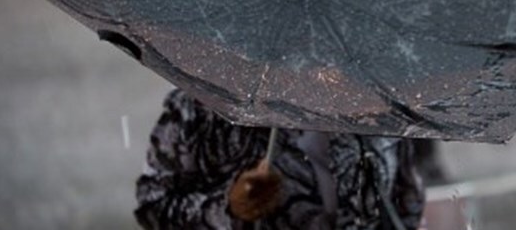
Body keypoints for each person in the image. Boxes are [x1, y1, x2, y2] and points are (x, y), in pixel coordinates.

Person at [135, 89, 426, 229]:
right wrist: (229, 209)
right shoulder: (202, 107)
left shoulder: (379, 106)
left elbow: (406, 201)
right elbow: (154, 207)